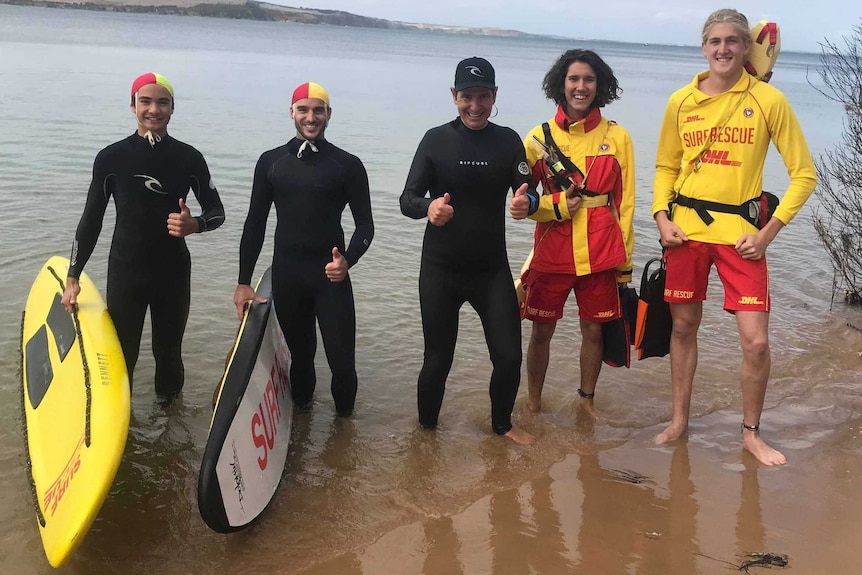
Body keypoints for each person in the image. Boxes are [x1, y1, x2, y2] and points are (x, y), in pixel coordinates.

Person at [652, 9, 817, 465]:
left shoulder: (768, 100)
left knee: (756, 342)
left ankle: (751, 433)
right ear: (703, 47)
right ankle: (679, 420)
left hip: (743, 239)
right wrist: (661, 218)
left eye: (732, 41)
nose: (723, 49)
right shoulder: (680, 101)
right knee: (683, 327)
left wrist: (768, 234)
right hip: (686, 234)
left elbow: (805, 176)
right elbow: (666, 166)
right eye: (715, 41)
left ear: (747, 48)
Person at [61, 72, 225, 406]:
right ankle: (122, 430)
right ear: (132, 104)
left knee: (168, 354)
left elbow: (217, 211)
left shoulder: (189, 158)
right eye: (145, 101)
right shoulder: (111, 158)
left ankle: (170, 429)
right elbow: (91, 220)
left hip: (173, 273)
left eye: (162, 102)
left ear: (173, 108)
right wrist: (73, 276)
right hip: (126, 270)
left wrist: (195, 225)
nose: (154, 109)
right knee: (122, 355)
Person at [400, 56, 535, 444]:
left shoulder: (509, 141)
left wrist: (527, 204)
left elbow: (528, 194)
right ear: (453, 95)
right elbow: (407, 198)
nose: (474, 106)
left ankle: (502, 426)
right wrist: (429, 208)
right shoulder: (435, 139)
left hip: (490, 271)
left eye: (482, 97)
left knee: (509, 357)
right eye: (466, 97)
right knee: (437, 360)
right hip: (440, 270)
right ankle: (426, 434)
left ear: (494, 96)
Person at [234, 82, 373, 418]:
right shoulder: (271, 163)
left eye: (318, 110)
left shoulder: (347, 165)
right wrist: (243, 282)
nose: (311, 117)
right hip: (288, 277)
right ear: (292, 112)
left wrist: (348, 262)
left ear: (328, 114)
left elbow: (366, 227)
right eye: (304, 110)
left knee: (342, 364)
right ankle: (302, 423)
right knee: (301, 357)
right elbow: (255, 224)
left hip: (331, 279)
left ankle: (344, 436)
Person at [510, 49, 635, 418]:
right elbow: (525, 200)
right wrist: (554, 207)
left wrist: (625, 265)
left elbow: (624, 205)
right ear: (560, 85)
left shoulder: (618, 137)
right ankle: (533, 403)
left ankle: (587, 401)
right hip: (552, 251)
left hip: (601, 252)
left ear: (601, 86)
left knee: (594, 332)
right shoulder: (537, 139)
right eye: (574, 79)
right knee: (540, 333)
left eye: (589, 80)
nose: (581, 87)